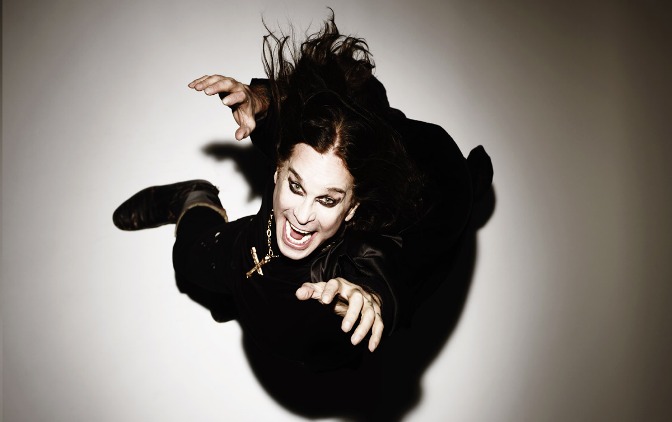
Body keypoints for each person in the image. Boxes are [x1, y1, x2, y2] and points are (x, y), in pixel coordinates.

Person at [113, 15, 492, 373]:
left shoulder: (363, 252)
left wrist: (371, 298)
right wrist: (261, 101)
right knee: (188, 262)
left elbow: (387, 268)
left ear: (352, 208)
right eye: (296, 186)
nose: (302, 216)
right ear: (278, 168)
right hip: (249, 253)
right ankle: (194, 197)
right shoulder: (304, 146)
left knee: (330, 351)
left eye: (328, 200)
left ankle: (470, 180)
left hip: (434, 193)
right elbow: (295, 116)